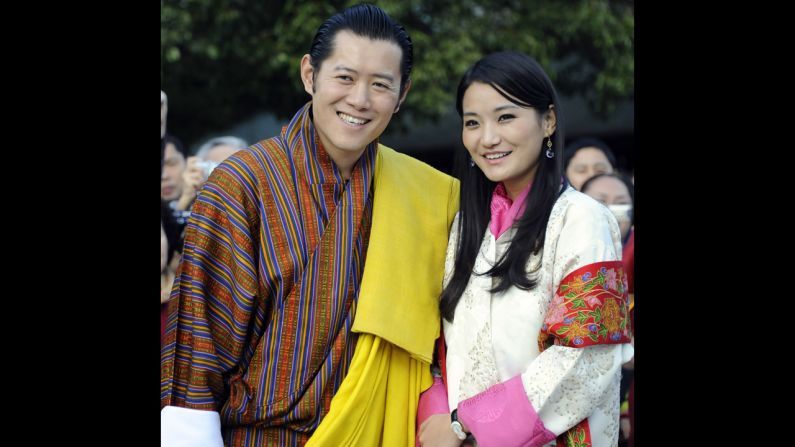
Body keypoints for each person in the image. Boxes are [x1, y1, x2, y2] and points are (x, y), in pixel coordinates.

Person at [160, 4, 460, 446]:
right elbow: (197, 346)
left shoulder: (425, 195)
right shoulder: (242, 184)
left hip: (376, 433)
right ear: (309, 75)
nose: (360, 100)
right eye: (345, 77)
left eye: (380, 85)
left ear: (402, 96)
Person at [416, 51, 633, 447]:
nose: (487, 138)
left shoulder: (583, 218)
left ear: (548, 120)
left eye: (505, 117)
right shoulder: (466, 226)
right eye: (472, 123)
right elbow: (437, 346)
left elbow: (586, 357)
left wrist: (467, 424)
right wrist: (435, 414)